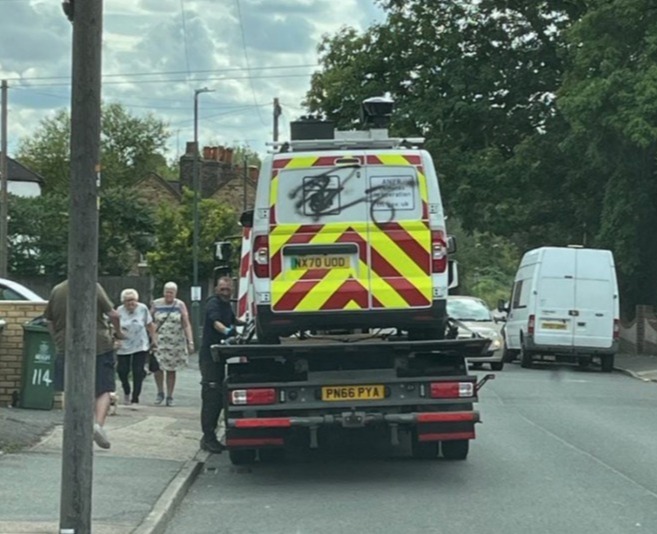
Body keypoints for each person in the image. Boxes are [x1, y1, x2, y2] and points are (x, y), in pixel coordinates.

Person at [44, 279, 124, 450]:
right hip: (98, 345)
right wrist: (118, 333)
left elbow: (48, 320)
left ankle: (73, 426)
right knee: (103, 388)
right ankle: (98, 425)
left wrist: (57, 339)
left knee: (69, 387)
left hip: (66, 345)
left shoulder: (57, 289)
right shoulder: (93, 286)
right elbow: (114, 314)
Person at [199, 276, 243, 453]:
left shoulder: (226, 304)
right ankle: (208, 438)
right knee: (211, 396)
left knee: (218, 395)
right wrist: (227, 331)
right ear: (216, 289)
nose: (226, 292)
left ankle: (211, 437)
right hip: (209, 357)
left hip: (218, 356)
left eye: (228, 289)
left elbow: (233, 319)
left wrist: (247, 324)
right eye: (222, 289)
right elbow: (216, 323)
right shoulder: (213, 304)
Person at [150, 281, 193, 406]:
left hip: (175, 342)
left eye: (171, 292)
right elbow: (148, 321)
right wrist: (152, 336)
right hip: (158, 341)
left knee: (171, 369)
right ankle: (160, 392)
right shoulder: (156, 304)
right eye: (167, 292)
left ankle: (170, 396)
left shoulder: (180, 305)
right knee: (157, 368)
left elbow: (186, 323)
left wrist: (190, 341)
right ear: (163, 292)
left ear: (175, 293)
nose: (169, 294)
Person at [116, 288, 157, 405]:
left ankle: (135, 397)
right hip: (124, 344)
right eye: (128, 301)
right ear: (123, 302)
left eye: (133, 300)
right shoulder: (119, 310)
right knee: (122, 371)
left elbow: (150, 325)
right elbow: (114, 326)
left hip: (140, 344)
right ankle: (126, 390)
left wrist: (154, 340)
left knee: (137, 371)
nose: (131, 303)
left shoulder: (142, 308)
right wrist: (115, 339)